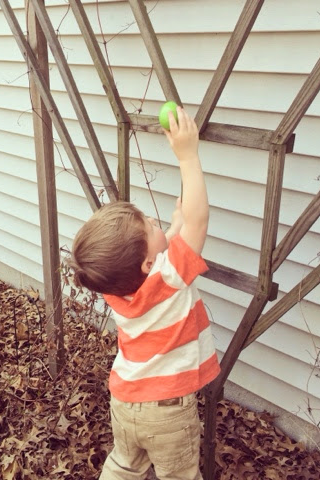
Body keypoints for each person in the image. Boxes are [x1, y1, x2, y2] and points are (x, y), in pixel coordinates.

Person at [69, 107, 220, 480]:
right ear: (149, 264)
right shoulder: (169, 277)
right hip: (167, 411)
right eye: (150, 226)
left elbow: (158, 256)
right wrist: (187, 155)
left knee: (125, 465)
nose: (154, 222)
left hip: (125, 400)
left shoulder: (116, 288)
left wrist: (173, 227)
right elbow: (199, 221)